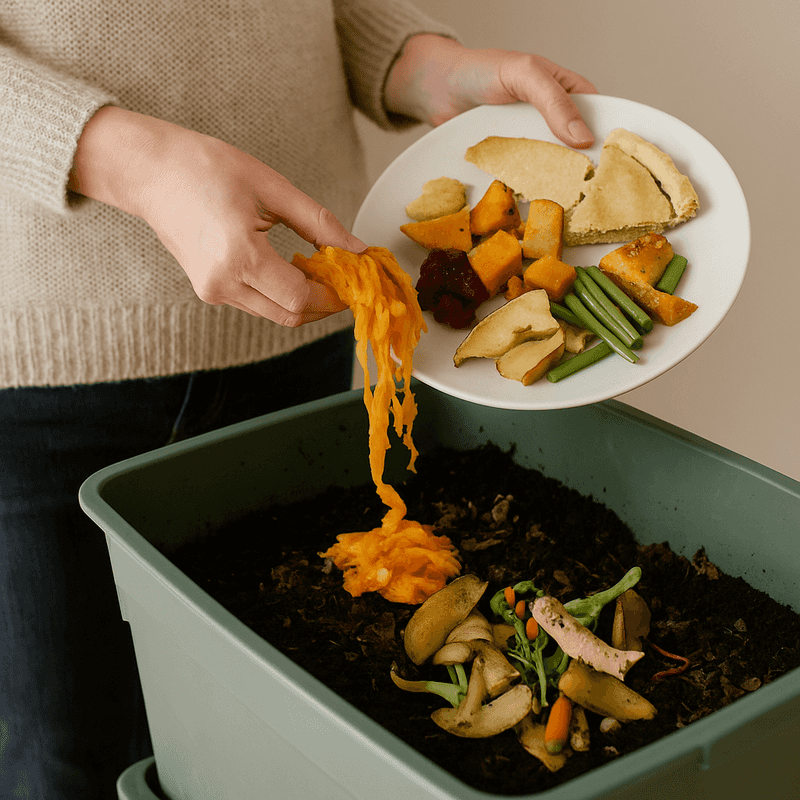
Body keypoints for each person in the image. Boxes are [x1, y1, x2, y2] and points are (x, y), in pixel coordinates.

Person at [0, 1, 596, 796]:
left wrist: (422, 65)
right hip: (41, 370)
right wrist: (135, 161)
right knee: (67, 757)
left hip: (303, 318)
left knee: (254, 746)